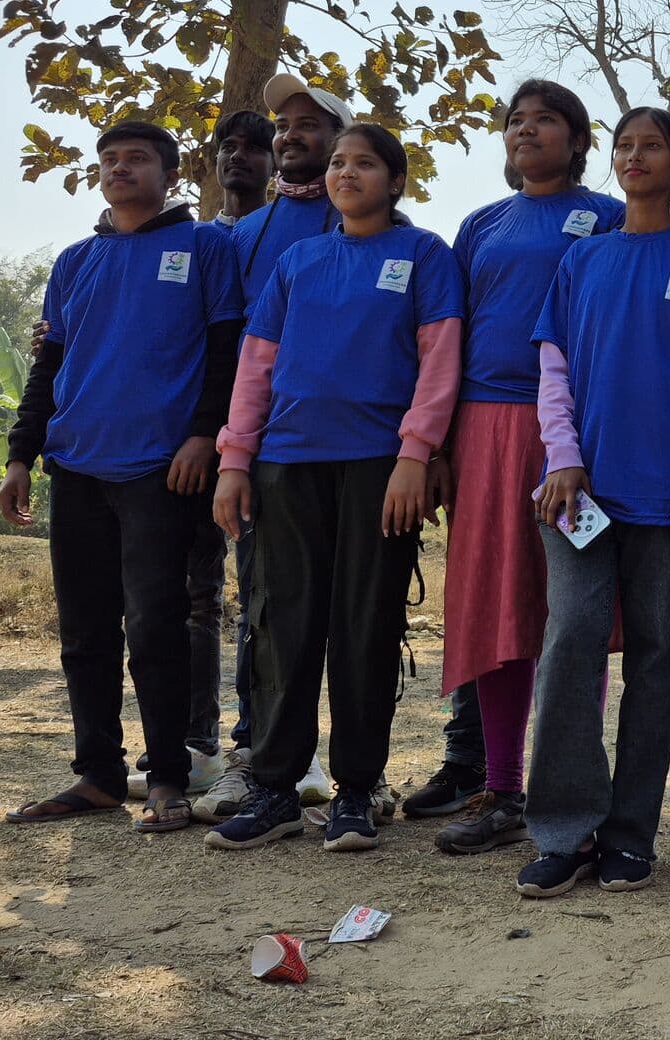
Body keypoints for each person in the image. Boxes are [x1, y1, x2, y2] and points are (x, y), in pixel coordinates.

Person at [204, 122, 464, 853]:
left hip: (381, 468)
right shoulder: (298, 260)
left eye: (366, 163)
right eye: (340, 162)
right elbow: (256, 365)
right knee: (281, 630)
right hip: (286, 464)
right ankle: (274, 790)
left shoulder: (424, 255)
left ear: (396, 180)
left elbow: (440, 362)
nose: (347, 173)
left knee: (366, 629)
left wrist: (416, 454)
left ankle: (356, 791)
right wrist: (234, 459)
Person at [518, 107, 670, 898]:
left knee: (656, 661)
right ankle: (562, 831)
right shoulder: (583, 258)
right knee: (570, 645)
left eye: (651, 145)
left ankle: (629, 837)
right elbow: (553, 371)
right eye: (624, 145)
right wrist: (563, 457)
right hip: (580, 493)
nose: (634, 156)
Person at [0, 120, 243, 834]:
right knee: (85, 633)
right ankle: (99, 774)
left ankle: (166, 777)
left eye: (137, 158)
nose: (119, 169)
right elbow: (49, 366)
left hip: (162, 470)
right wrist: (21, 455)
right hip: (75, 464)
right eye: (109, 160)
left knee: (158, 626)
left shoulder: (206, 246)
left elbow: (227, 349)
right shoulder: (76, 261)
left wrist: (205, 435)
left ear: (171, 174)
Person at [430, 80, 625, 856]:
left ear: (578, 141)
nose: (527, 130)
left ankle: (569, 789)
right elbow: (448, 338)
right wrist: (436, 447)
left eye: (547, 120)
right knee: (496, 607)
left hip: (575, 437)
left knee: (573, 614)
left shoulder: (610, 216)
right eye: (516, 120)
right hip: (482, 430)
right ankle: (501, 786)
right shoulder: (481, 225)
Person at [195, 76, 352, 823]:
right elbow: (222, 337)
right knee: (263, 607)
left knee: (355, 612)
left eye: (309, 124)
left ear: (341, 140)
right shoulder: (243, 233)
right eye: (283, 125)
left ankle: (358, 771)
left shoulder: (371, 222)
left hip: (358, 451)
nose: (291, 136)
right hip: (266, 449)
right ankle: (255, 756)